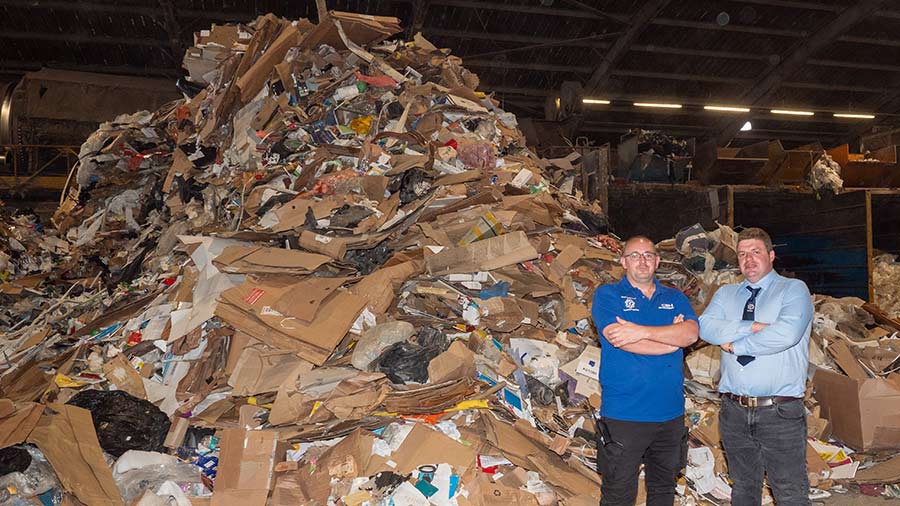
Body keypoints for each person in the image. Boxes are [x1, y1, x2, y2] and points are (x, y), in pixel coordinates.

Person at [698, 227, 813, 506]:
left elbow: (786, 335)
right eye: (742, 254)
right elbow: (705, 328)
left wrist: (737, 344)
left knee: (790, 493)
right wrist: (754, 327)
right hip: (734, 412)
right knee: (744, 490)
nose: (748, 260)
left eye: (756, 252)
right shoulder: (726, 294)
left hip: (780, 412)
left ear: (771, 255)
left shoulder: (793, 290)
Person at [591, 235, 699, 506]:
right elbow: (619, 339)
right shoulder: (608, 295)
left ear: (657, 260)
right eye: (635, 255)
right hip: (624, 416)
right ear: (623, 261)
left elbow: (691, 334)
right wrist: (670, 340)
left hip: (670, 415)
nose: (642, 260)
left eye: (648, 255)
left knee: (663, 492)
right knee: (619, 494)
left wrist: (640, 332)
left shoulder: (674, 297)